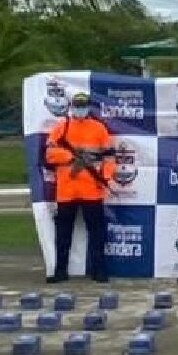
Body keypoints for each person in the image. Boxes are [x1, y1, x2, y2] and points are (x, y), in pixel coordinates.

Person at [44, 90, 115, 282]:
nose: (80, 110)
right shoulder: (61, 127)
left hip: (93, 189)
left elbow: (109, 157)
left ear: (88, 107)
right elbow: (49, 154)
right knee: (63, 234)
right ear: (71, 107)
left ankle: (99, 271)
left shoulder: (99, 128)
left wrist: (105, 177)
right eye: (77, 106)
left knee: (97, 233)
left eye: (83, 106)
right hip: (66, 191)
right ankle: (60, 271)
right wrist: (70, 157)